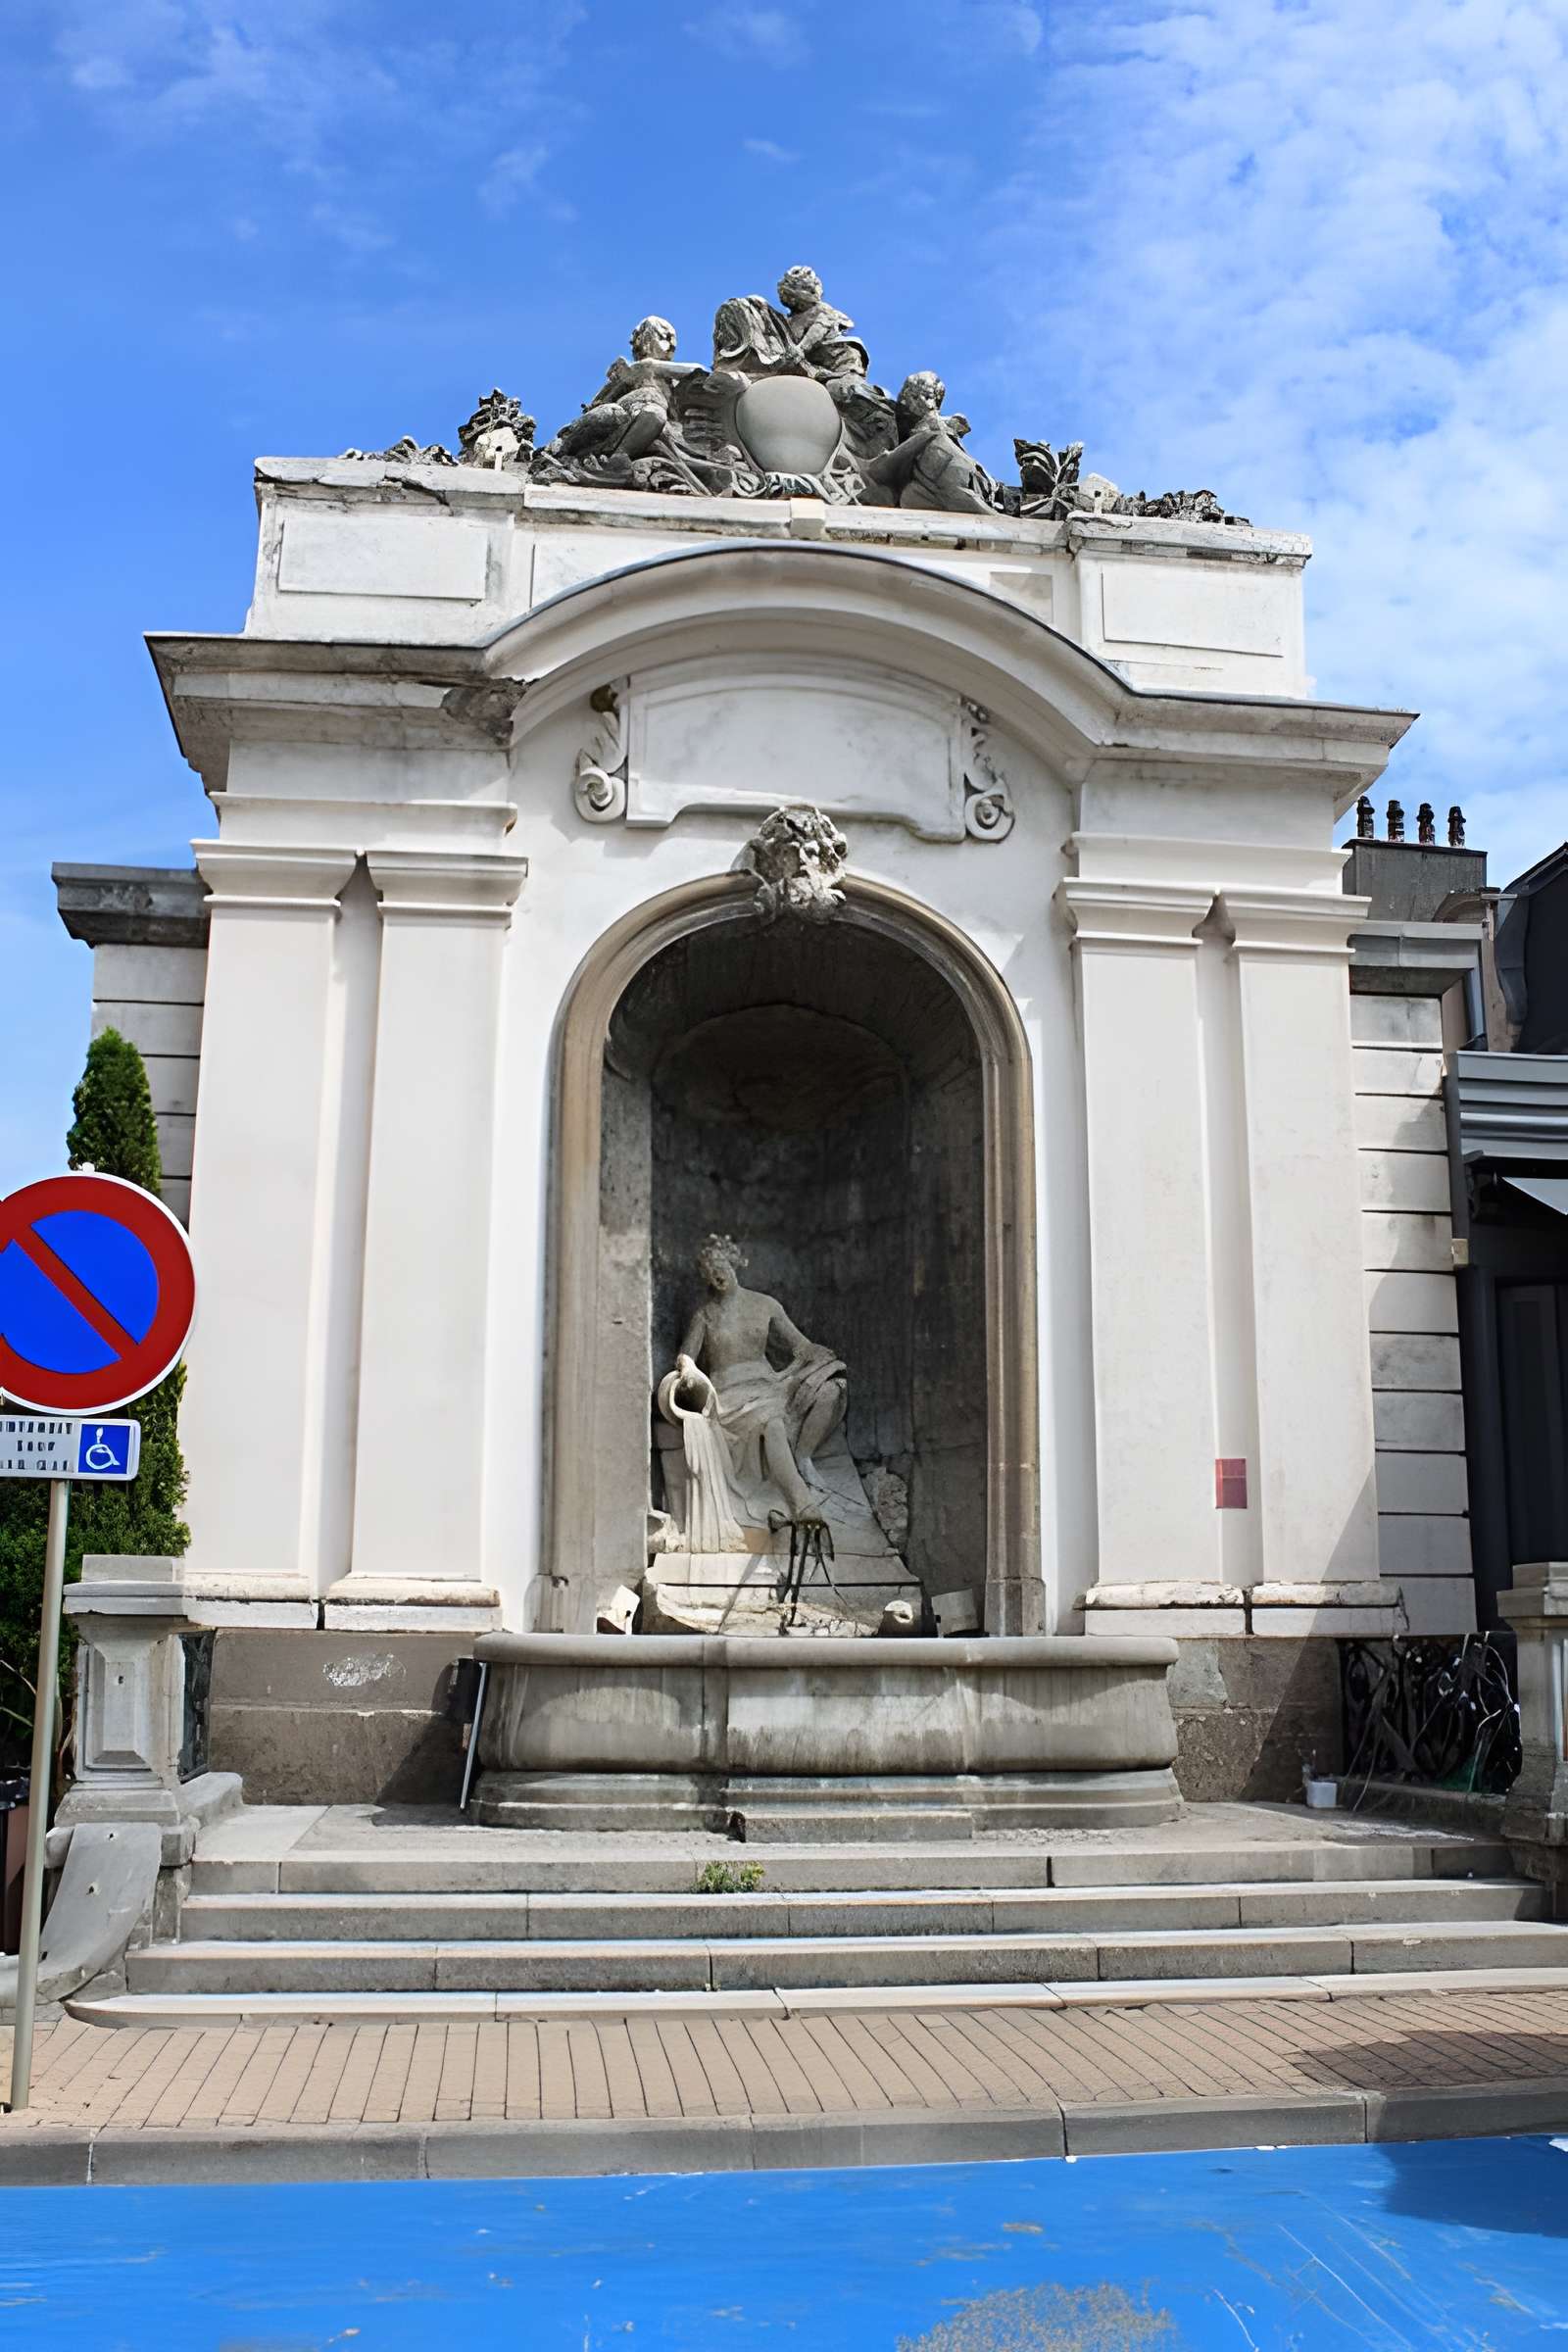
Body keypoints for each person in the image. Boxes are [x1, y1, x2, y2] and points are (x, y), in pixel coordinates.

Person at [666, 1235, 846, 1531]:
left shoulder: (765, 1304)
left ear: (734, 1263)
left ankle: (804, 1456)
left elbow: (801, 1346)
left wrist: (809, 1362)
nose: (717, 1274)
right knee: (772, 1423)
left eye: (721, 1265)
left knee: (831, 1386)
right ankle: (803, 1505)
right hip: (730, 1397)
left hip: (769, 1386)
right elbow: (687, 1355)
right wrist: (687, 1369)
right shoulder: (706, 1315)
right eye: (710, 1271)